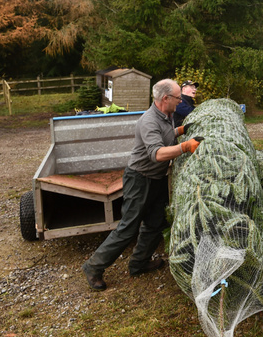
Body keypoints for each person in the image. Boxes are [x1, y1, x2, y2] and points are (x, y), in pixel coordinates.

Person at [82, 78, 202, 291]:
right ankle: (93, 266)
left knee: (155, 223)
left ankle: (139, 263)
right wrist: (185, 147)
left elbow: (164, 136)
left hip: (156, 179)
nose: (180, 101)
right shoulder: (148, 121)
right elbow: (157, 153)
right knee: (128, 228)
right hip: (139, 179)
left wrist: (181, 130)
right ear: (165, 99)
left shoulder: (167, 116)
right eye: (177, 97)